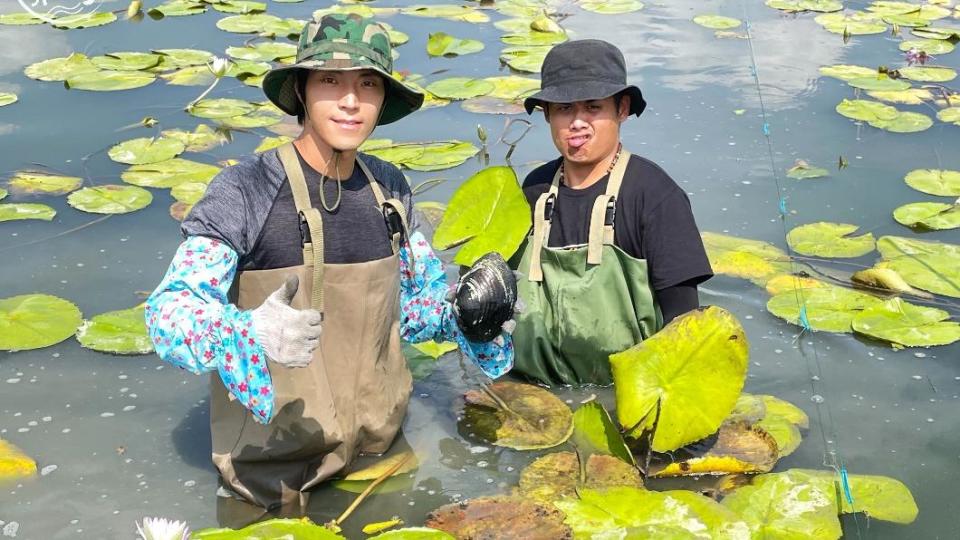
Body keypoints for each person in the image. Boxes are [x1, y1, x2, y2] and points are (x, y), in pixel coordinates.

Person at [144, 14, 514, 510]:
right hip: (271, 476)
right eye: (330, 81)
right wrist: (245, 330)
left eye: (367, 84)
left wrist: (468, 316)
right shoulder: (245, 190)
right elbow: (168, 315)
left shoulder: (391, 190)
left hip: (378, 457)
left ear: (383, 100)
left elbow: (418, 310)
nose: (350, 101)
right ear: (301, 90)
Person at [510, 39, 713, 386]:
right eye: (563, 109)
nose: (577, 123)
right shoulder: (534, 190)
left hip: (627, 391)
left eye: (592, 107)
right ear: (546, 114)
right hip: (536, 389)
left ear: (621, 109)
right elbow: (508, 301)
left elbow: (684, 329)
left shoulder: (655, 196)